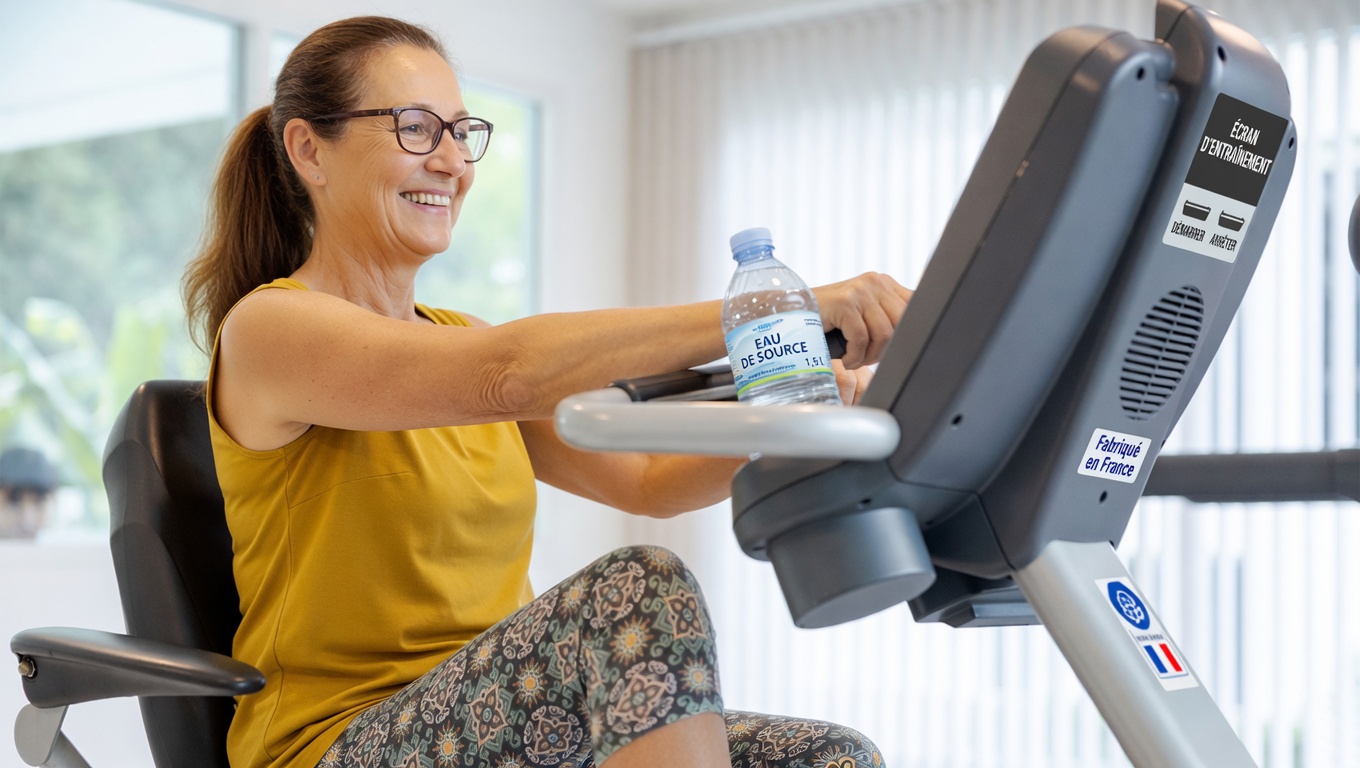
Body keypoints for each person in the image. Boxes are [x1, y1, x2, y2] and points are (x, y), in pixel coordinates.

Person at [181, 16, 911, 768]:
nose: (453, 161)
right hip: (337, 744)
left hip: (504, 724)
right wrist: (776, 310)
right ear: (309, 150)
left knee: (828, 755)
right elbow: (509, 374)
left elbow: (650, 479)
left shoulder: (459, 335)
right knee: (639, 585)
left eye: (463, 132)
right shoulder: (271, 329)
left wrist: (794, 401)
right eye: (416, 128)